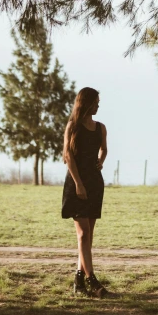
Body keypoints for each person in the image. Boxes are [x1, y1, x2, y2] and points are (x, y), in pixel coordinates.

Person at [62, 86, 108, 297]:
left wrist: (101, 160)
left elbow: (104, 149)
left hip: (95, 183)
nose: (98, 105)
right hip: (77, 183)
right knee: (82, 234)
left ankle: (79, 281)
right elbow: (68, 157)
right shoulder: (73, 126)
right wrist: (78, 184)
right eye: (95, 102)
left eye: (98, 102)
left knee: (89, 235)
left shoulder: (101, 127)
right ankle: (92, 281)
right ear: (86, 103)